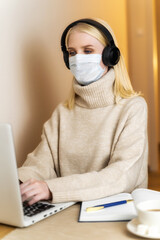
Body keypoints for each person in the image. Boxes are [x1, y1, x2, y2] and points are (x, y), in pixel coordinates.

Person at [19, 18, 148, 206]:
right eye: (72, 53)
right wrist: (17, 183)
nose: (78, 59)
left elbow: (121, 176)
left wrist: (51, 189)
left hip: (116, 211)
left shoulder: (133, 108)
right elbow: (40, 164)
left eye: (88, 51)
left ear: (110, 55)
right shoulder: (62, 112)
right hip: (66, 209)